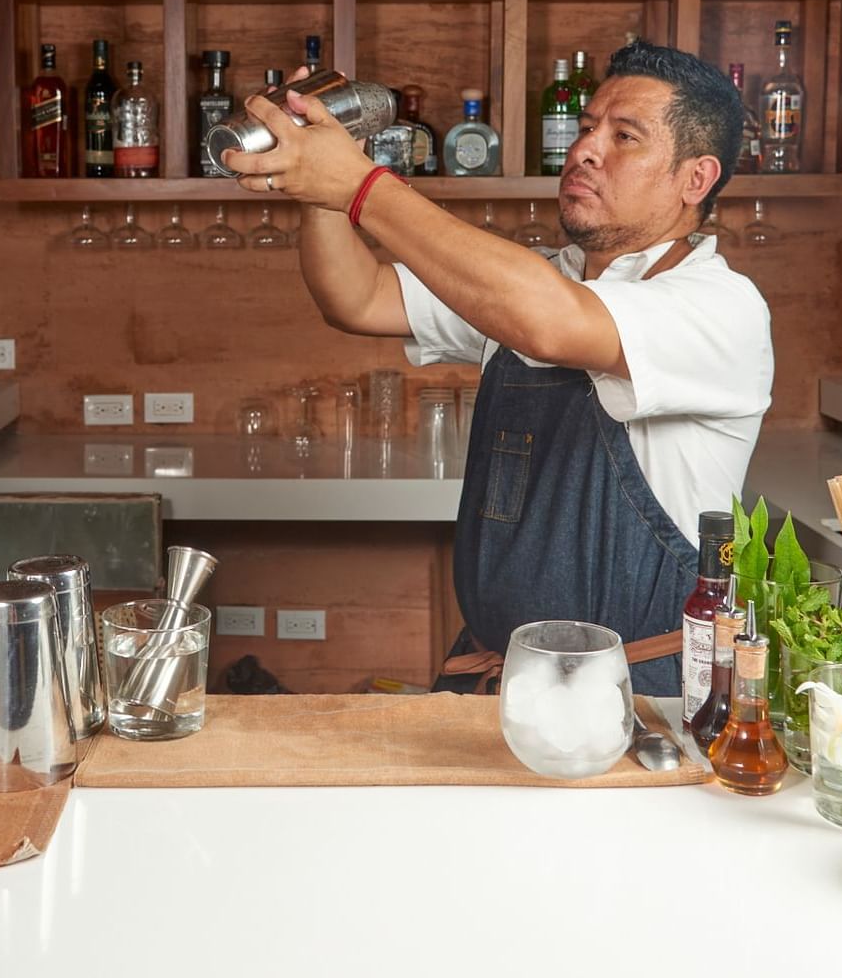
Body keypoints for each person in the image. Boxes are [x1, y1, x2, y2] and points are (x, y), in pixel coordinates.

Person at [221, 42, 773, 694]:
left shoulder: (720, 306)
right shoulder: (532, 280)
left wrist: (363, 186)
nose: (586, 149)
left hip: (636, 697)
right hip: (498, 681)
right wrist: (317, 187)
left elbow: (550, 320)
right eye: (589, 126)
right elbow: (358, 296)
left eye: (624, 136)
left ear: (695, 179)